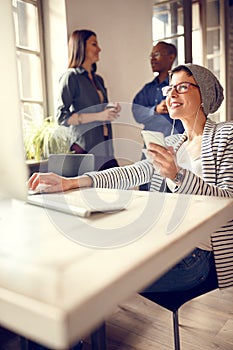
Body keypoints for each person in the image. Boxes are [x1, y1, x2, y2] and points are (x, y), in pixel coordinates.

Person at [29, 63, 233, 292]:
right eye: (170, 88)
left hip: (199, 255)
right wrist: (71, 182)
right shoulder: (174, 144)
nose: (171, 94)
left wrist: (177, 176)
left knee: (101, 271)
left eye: (182, 87)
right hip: (169, 243)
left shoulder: (226, 135)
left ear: (204, 92)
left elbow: (228, 200)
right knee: (94, 256)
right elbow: (131, 172)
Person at [56, 29, 121, 171]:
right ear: (81, 47)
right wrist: (99, 116)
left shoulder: (98, 79)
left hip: (105, 145)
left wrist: (110, 109)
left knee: (117, 183)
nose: (99, 49)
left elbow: (99, 107)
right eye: (94, 44)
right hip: (84, 147)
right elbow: (61, 117)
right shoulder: (70, 77)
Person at [132, 41, 184, 190]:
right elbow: (136, 112)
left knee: (172, 187)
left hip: (175, 146)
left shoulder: (179, 87)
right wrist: (155, 109)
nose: (152, 59)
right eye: (151, 55)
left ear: (171, 57)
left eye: (157, 54)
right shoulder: (148, 89)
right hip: (151, 146)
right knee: (146, 185)